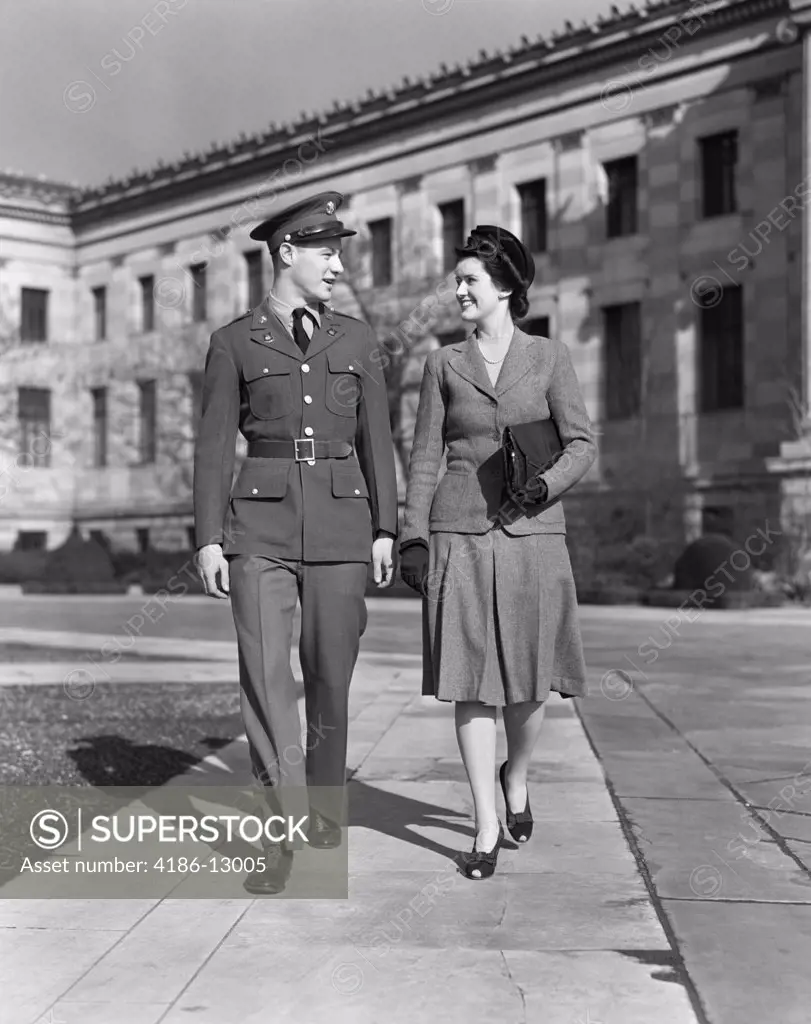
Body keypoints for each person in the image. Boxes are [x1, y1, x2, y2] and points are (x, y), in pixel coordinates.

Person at [193, 191, 398, 894]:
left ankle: (323, 803)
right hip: (259, 530)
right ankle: (280, 827)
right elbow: (215, 447)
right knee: (266, 678)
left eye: (337, 253)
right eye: (325, 252)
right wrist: (208, 539)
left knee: (329, 679)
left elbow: (377, 439)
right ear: (286, 253)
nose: (336, 266)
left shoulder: (359, 340)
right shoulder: (234, 341)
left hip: (342, 526)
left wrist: (386, 527)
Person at [398, 225, 596, 880]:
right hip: (459, 536)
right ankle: (485, 825)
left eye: (469, 281)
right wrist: (414, 536)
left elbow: (581, 444)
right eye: (456, 280)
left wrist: (544, 484)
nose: (457, 290)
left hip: (531, 535)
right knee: (468, 686)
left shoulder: (547, 358)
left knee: (527, 688)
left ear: (506, 287)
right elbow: (424, 458)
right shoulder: (441, 364)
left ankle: (517, 776)